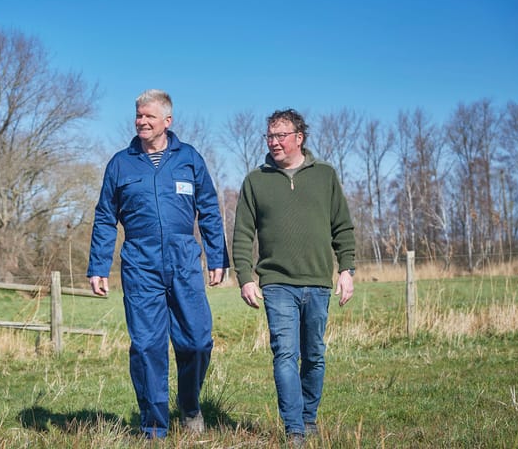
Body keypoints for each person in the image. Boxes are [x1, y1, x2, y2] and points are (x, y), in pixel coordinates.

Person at [87, 89, 229, 439]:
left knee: (197, 340)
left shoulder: (189, 159)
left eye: (149, 116)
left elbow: (209, 210)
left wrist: (217, 257)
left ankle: (190, 403)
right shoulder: (121, 163)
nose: (142, 122)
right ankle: (154, 427)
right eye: (138, 116)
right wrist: (98, 266)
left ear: (167, 120)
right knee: (148, 346)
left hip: (183, 259)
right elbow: (105, 217)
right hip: (139, 261)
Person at [232, 108, 355, 446]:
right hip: (276, 284)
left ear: (299, 138)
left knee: (314, 354)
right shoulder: (255, 180)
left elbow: (342, 227)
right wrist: (245, 276)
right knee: (285, 354)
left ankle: (309, 417)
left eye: (280, 136)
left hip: (317, 282)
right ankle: (295, 429)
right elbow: (242, 234)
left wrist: (346, 270)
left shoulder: (325, 176)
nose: (274, 142)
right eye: (270, 136)